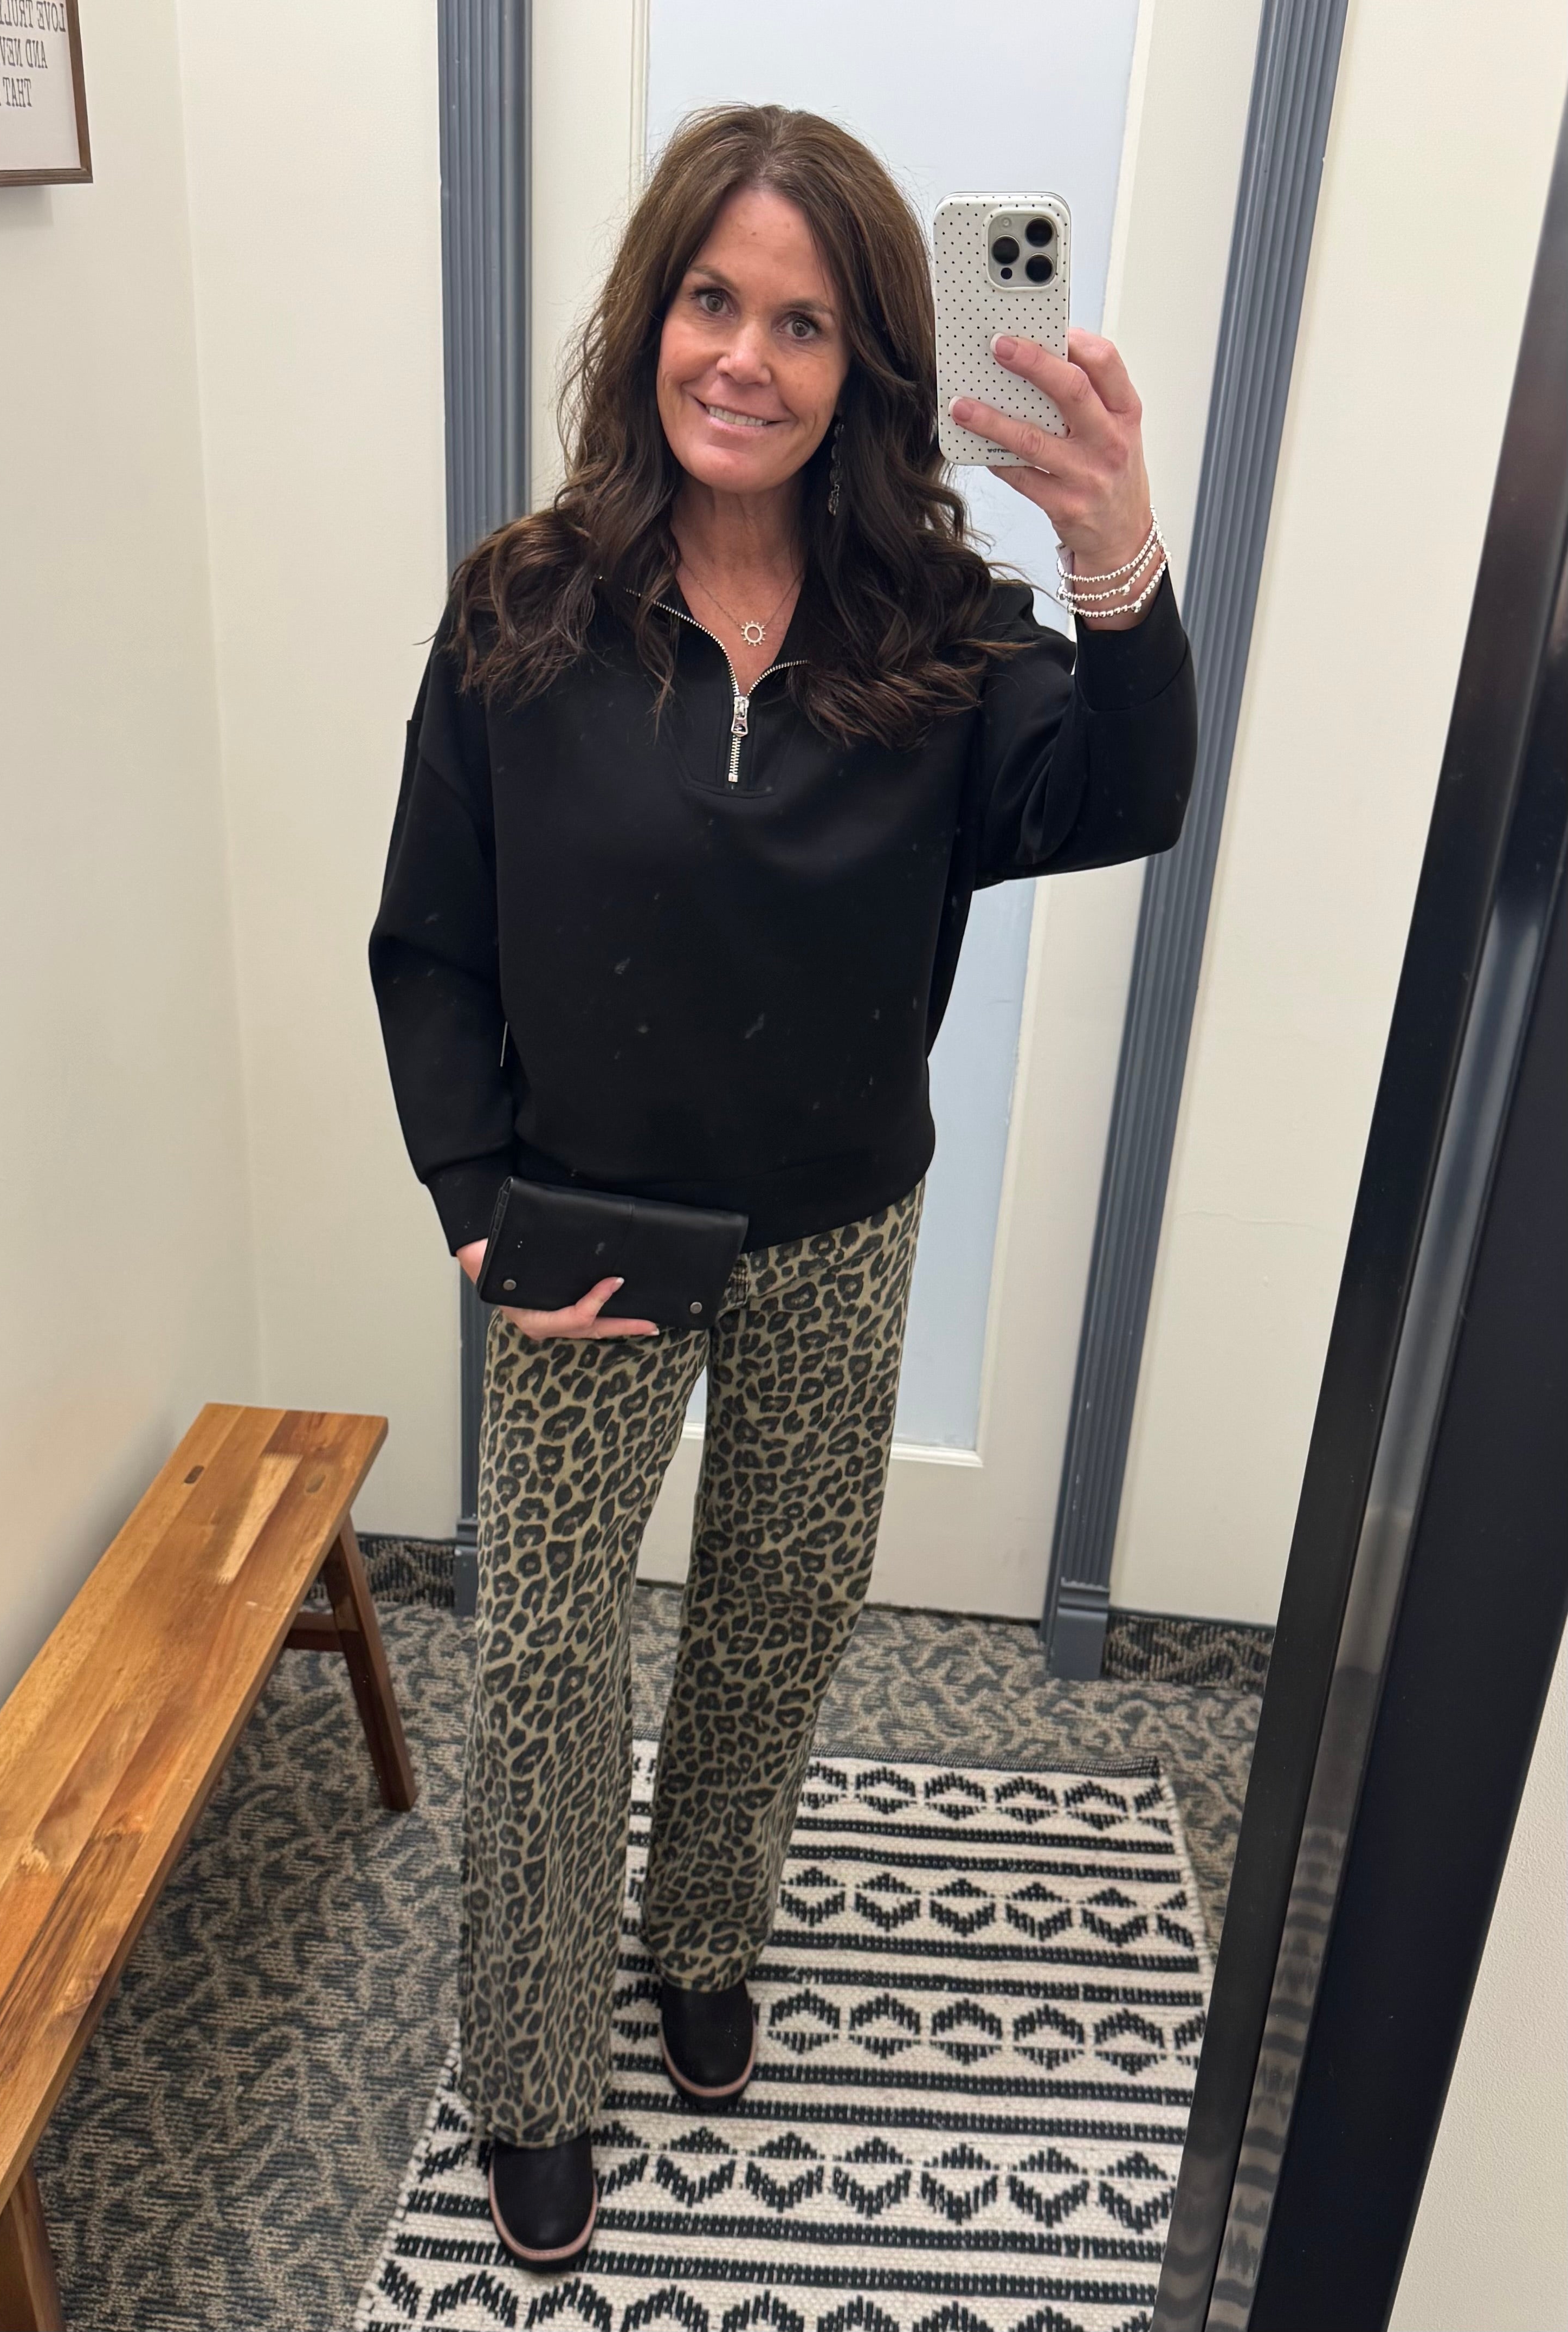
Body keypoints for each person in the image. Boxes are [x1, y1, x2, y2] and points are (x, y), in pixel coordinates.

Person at [370, 102, 1196, 2275]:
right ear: (650, 317)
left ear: (866, 364)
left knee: (778, 1611)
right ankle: (534, 2067)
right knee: (552, 1659)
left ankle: (708, 1934)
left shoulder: (942, 633)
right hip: (586, 1229)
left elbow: (1127, 795)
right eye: (711, 301)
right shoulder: (521, 614)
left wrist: (1116, 563)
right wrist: (477, 1202)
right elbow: (430, 940)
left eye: (804, 321)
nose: (744, 357)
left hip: (839, 1220)